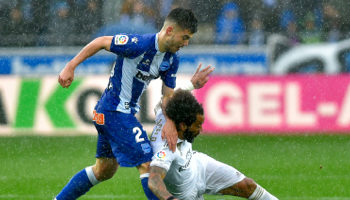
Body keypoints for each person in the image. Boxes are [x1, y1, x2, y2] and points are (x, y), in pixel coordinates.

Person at [55, 7, 214, 200]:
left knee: (104, 170)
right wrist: (70, 66)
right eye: (185, 37)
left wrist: (170, 121)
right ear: (170, 31)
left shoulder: (171, 59)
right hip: (115, 112)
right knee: (148, 164)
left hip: (112, 113)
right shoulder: (138, 44)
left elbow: (167, 96)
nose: (186, 43)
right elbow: (101, 42)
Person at [148, 90, 279, 200]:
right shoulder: (167, 147)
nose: (201, 130)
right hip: (186, 195)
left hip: (199, 166)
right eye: (197, 126)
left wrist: (192, 84)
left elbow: (165, 99)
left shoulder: (169, 115)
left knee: (248, 185)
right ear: (183, 125)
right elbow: (153, 180)